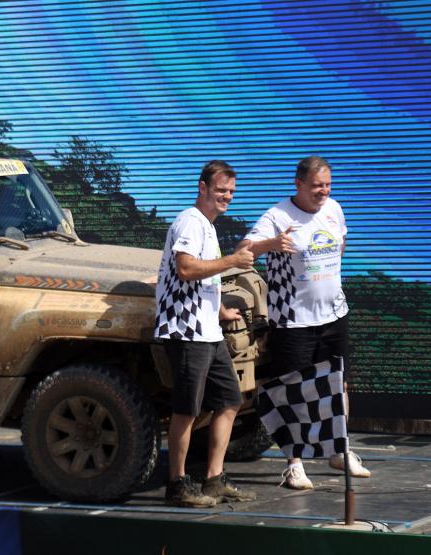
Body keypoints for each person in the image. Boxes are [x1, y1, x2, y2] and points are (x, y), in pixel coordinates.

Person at [237, 155, 370, 490]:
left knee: (338, 385)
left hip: (334, 314)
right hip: (293, 320)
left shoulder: (334, 209)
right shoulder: (278, 215)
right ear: (298, 185)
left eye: (326, 185)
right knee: (294, 391)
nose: (322, 191)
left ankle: (339, 449)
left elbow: (341, 245)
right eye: (315, 186)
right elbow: (243, 249)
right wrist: (271, 243)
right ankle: (294, 463)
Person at [155, 160, 257, 507]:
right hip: (185, 332)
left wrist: (218, 310)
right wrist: (231, 261)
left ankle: (213, 479)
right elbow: (185, 269)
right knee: (186, 410)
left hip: (207, 331)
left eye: (230, 191)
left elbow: (201, 279)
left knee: (230, 401)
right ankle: (177, 484)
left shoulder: (209, 227)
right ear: (202, 188)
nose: (226, 196)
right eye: (220, 190)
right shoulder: (190, 221)